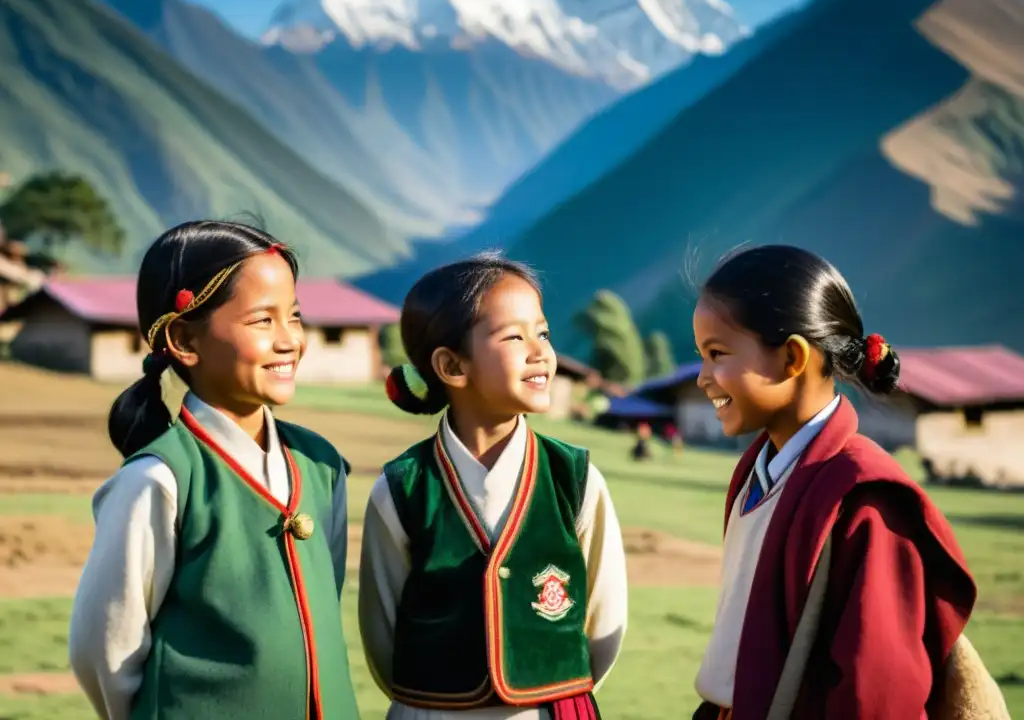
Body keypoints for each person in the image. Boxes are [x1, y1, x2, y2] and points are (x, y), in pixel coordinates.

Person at [68, 220, 360, 720]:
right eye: (262, 321)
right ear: (184, 339)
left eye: (294, 316)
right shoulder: (158, 480)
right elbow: (104, 650)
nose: (289, 339)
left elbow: (321, 603)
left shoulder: (321, 465)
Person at [689, 245, 977, 720]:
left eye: (717, 354)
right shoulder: (755, 472)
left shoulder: (866, 502)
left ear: (792, 358)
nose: (703, 377)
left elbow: (876, 694)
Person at [358, 253, 629, 720]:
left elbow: (605, 621)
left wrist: (549, 688)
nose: (542, 351)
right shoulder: (401, 488)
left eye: (542, 333)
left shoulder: (575, 479)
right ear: (452, 366)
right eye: (514, 337)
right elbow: (382, 635)